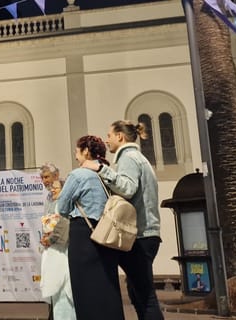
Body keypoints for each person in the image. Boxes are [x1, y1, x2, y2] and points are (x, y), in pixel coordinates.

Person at [82, 120, 164, 320]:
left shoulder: (129, 158)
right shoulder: (138, 158)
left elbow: (127, 188)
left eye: (109, 135)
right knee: (138, 294)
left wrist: (100, 169)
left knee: (145, 297)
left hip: (139, 236)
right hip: (146, 234)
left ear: (120, 136)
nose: (107, 139)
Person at [56, 135, 120, 320]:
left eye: (77, 151)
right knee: (107, 285)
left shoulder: (78, 175)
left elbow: (62, 206)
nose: (76, 156)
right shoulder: (105, 172)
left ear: (85, 151)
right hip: (107, 232)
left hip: (83, 233)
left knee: (84, 287)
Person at [37, 163, 73, 320]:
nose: (45, 181)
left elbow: (64, 222)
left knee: (63, 288)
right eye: (42, 178)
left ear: (56, 176)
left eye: (47, 177)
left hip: (63, 249)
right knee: (52, 288)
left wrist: (51, 238)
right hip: (51, 249)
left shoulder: (65, 195)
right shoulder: (48, 197)